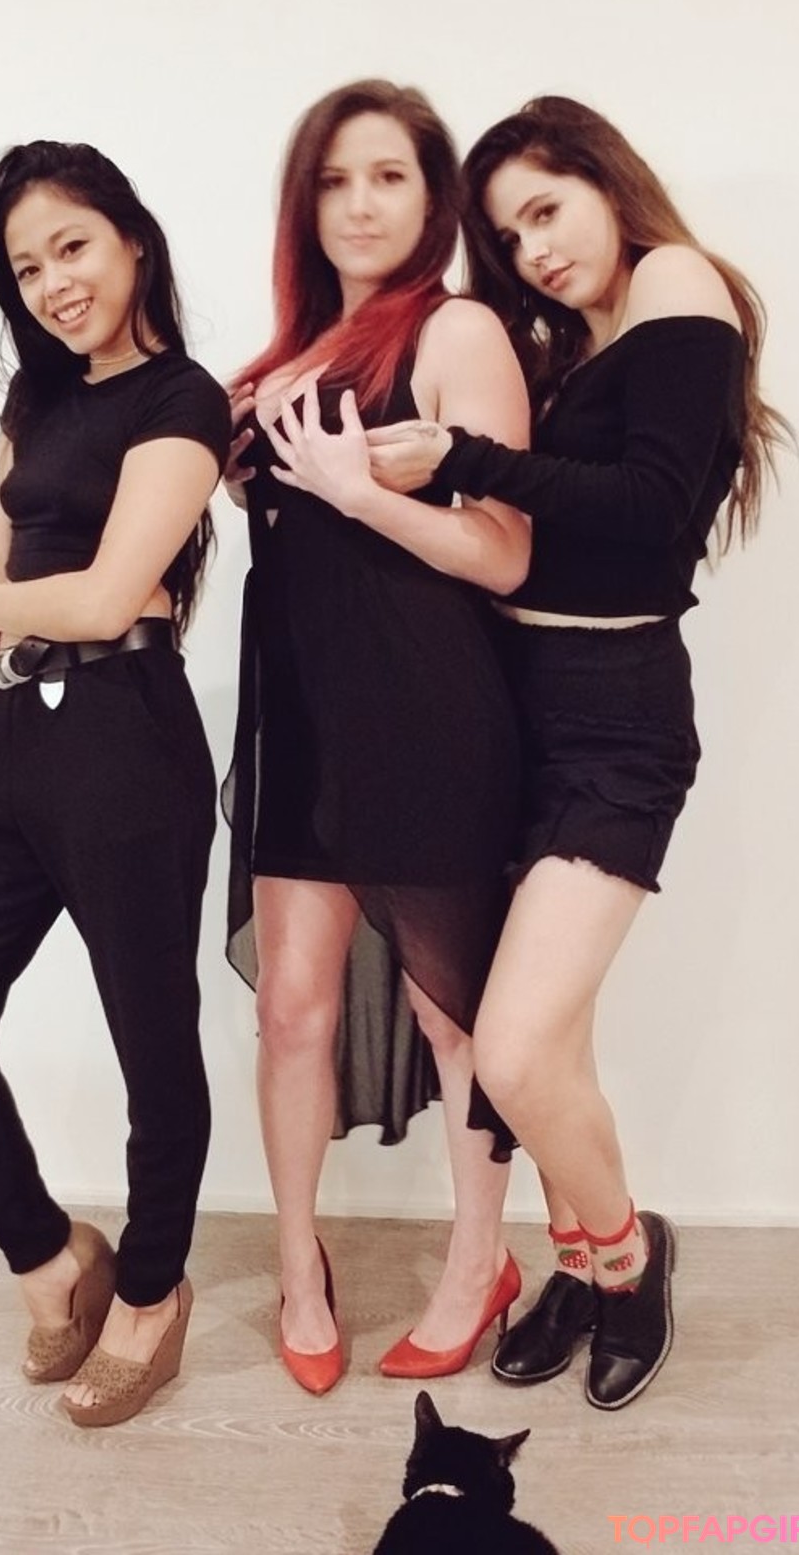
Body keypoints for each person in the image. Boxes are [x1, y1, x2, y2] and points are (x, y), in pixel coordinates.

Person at [273, 95, 788, 1409]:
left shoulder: (676, 282)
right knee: (548, 1042)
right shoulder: (578, 338)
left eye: (548, 211)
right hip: (513, 706)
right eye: (509, 236)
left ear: (611, 183)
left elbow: (651, 503)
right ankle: (569, 1261)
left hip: (616, 719)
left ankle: (626, 1255)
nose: (536, 252)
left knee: (508, 1047)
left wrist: (461, 455)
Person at [0, 141, 230, 1429]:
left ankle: (150, 1294)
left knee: (152, 1042)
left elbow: (100, 595)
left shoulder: (186, 401)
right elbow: (1, 594)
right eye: (26, 269)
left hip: (129, 740)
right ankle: (49, 1259)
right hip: (16, 742)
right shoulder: (32, 405)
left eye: (71, 246)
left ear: (131, 239)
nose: (53, 283)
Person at [223, 80, 532, 1394]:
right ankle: (302, 1267)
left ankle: (480, 1265)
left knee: (457, 1020)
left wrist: (359, 493)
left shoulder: (456, 330)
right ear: (306, 202)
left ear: (432, 196)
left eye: (389, 176)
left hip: (428, 715)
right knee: (292, 1010)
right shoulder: (279, 364)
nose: (360, 204)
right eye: (336, 179)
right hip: (300, 720)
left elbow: (506, 554)